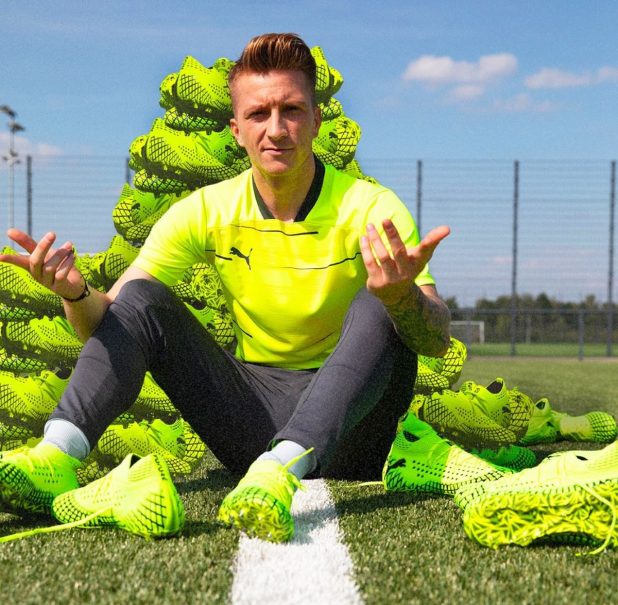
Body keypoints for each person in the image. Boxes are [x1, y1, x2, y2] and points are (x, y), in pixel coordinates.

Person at [0, 33, 503, 543]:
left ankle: (281, 468)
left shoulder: (373, 207)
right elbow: (115, 322)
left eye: (292, 110)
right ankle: (55, 456)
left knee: (385, 300)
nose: (276, 129)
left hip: (354, 430)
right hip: (251, 425)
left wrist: (402, 297)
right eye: (259, 114)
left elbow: (434, 339)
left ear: (316, 120)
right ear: (237, 130)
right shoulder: (206, 210)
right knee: (141, 299)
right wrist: (74, 294)